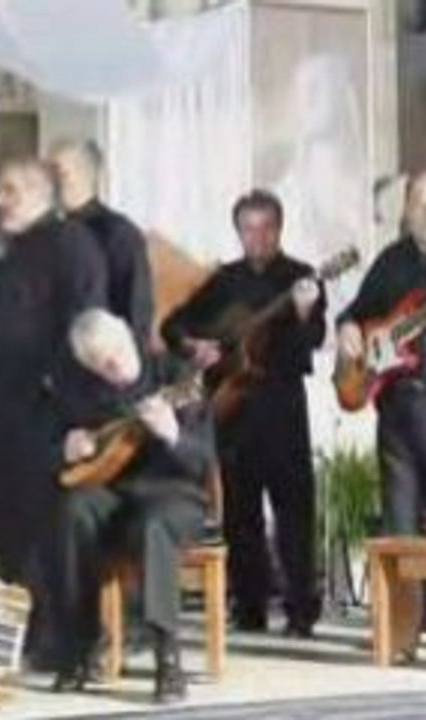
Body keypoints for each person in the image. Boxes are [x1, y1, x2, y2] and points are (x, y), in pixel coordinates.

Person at [162, 189, 325, 637]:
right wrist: (195, 346)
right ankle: (249, 607)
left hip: (283, 403)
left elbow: (313, 338)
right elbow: (172, 326)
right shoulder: (224, 281)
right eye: (249, 229)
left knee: (294, 511)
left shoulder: (303, 277)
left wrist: (307, 311)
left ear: (280, 228)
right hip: (233, 405)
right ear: (238, 231)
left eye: (266, 227)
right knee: (240, 512)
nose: (258, 237)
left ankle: (300, 611)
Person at [53, 309, 211, 702]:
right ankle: (81, 648)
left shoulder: (178, 376)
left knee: (154, 525)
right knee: (72, 510)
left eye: (117, 353)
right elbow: (56, 446)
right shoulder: (86, 391)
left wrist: (173, 434)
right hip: (115, 497)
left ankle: (168, 660)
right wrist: (67, 448)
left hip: (176, 496)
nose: (115, 366)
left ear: (127, 335)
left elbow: (203, 459)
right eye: (102, 364)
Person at [0, 158, 107, 584]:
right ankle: (22, 630)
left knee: (45, 533)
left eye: (9, 191)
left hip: (51, 411)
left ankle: (55, 638)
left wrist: (59, 394)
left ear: (39, 193)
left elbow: (84, 324)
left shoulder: (72, 243)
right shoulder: (18, 248)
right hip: (11, 408)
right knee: (10, 526)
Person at [337, 172, 426, 538]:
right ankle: (407, 598)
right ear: (407, 214)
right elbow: (355, 312)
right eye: (422, 206)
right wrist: (348, 329)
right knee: (399, 528)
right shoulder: (392, 260)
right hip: (397, 410)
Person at [48, 139, 154, 345]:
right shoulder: (50, 232)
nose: (48, 181)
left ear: (84, 175)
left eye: (57, 172)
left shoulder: (118, 233)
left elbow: (135, 311)